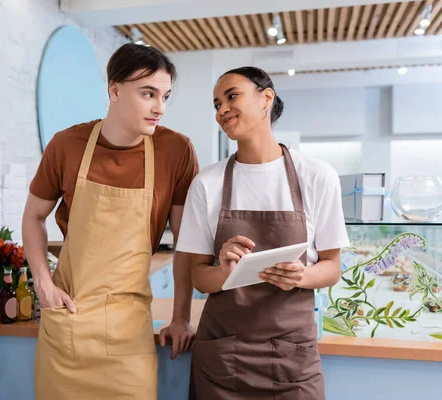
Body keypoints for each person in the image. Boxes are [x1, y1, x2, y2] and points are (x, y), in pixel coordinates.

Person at [23, 43, 199, 400]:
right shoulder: (67, 144)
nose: (159, 108)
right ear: (114, 90)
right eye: (148, 93)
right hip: (69, 322)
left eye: (165, 96)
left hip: (129, 333)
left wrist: (181, 315)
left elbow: (187, 242)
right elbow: (33, 216)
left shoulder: (176, 151)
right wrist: (43, 284)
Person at [176, 66, 350, 400]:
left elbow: (332, 266)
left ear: (266, 98)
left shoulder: (317, 176)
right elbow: (199, 276)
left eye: (232, 96)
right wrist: (224, 272)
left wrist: (300, 276)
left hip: (293, 360)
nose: (222, 110)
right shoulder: (207, 184)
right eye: (216, 104)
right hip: (223, 359)